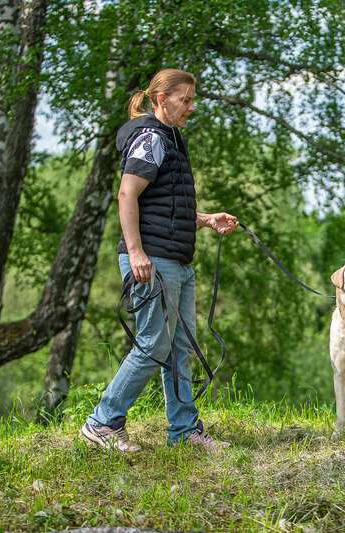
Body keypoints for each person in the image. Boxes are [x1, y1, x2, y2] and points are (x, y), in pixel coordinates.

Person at [80, 68, 237, 453]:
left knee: (180, 346)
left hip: (177, 261)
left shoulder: (171, 138)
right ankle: (103, 422)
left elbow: (163, 203)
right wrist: (135, 252)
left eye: (191, 99)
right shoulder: (150, 138)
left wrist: (204, 219)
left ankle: (184, 430)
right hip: (153, 261)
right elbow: (126, 195)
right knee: (153, 344)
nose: (190, 107)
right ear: (161, 99)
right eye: (184, 100)